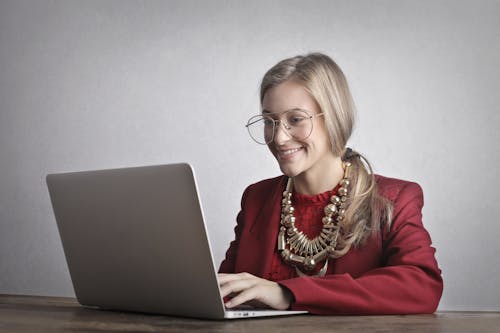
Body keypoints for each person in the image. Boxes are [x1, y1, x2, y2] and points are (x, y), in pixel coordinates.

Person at [217, 53, 443, 315]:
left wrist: (288, 293)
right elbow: (226, 292)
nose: (279, 138)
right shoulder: (256, 198)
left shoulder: (395, 198)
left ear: (333, 117)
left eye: (296, 119)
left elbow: (422, 286)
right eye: (270, 121)